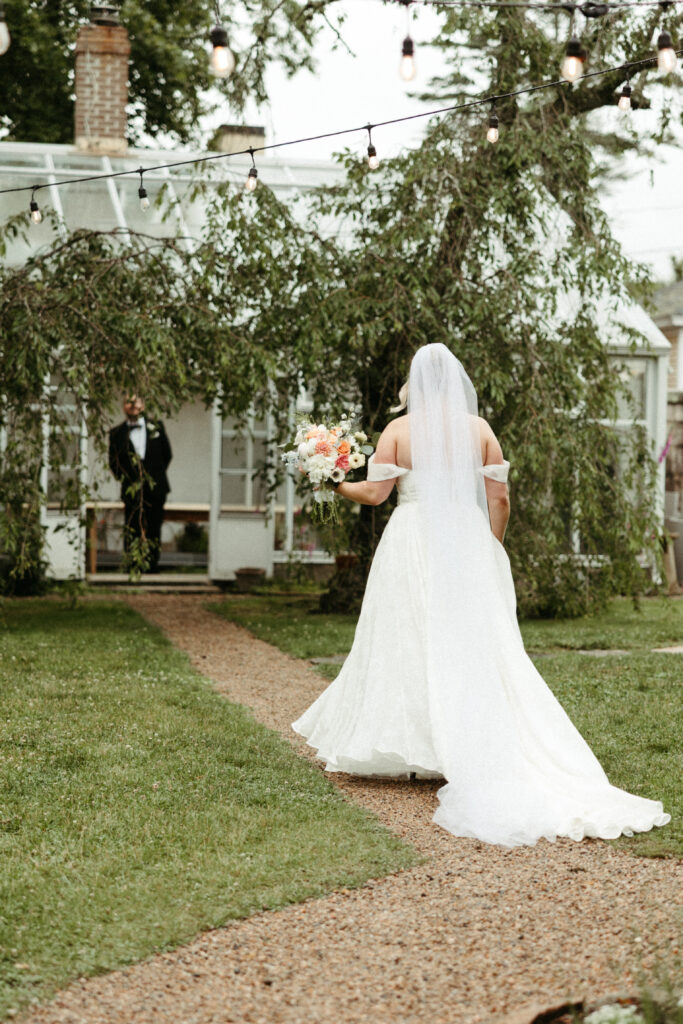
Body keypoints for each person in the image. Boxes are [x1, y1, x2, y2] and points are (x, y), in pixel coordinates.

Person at [293, 343, 670, 847]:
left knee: (406, 632)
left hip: (411, 539)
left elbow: (376, 494)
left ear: (414, 382)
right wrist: (490, 544)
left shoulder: (399, 431)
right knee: (473, 642)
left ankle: (418, 745)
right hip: (467, 538)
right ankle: (467, 741)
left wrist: (333, 482)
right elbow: (501, 497)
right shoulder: (480, 430)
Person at [108, 394, 172, 574]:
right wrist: (129, 479)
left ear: (143, 405)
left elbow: (167, 455)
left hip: (156, 487)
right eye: (128, 401)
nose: (132, 405)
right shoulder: (116, 433)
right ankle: (132, 563)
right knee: (132, 526)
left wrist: (154, 475)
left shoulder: (157, 427)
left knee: (154, 526)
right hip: (131, 488)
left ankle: (152, 564)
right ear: (123, 406)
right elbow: (114, 463)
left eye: (136, 401)